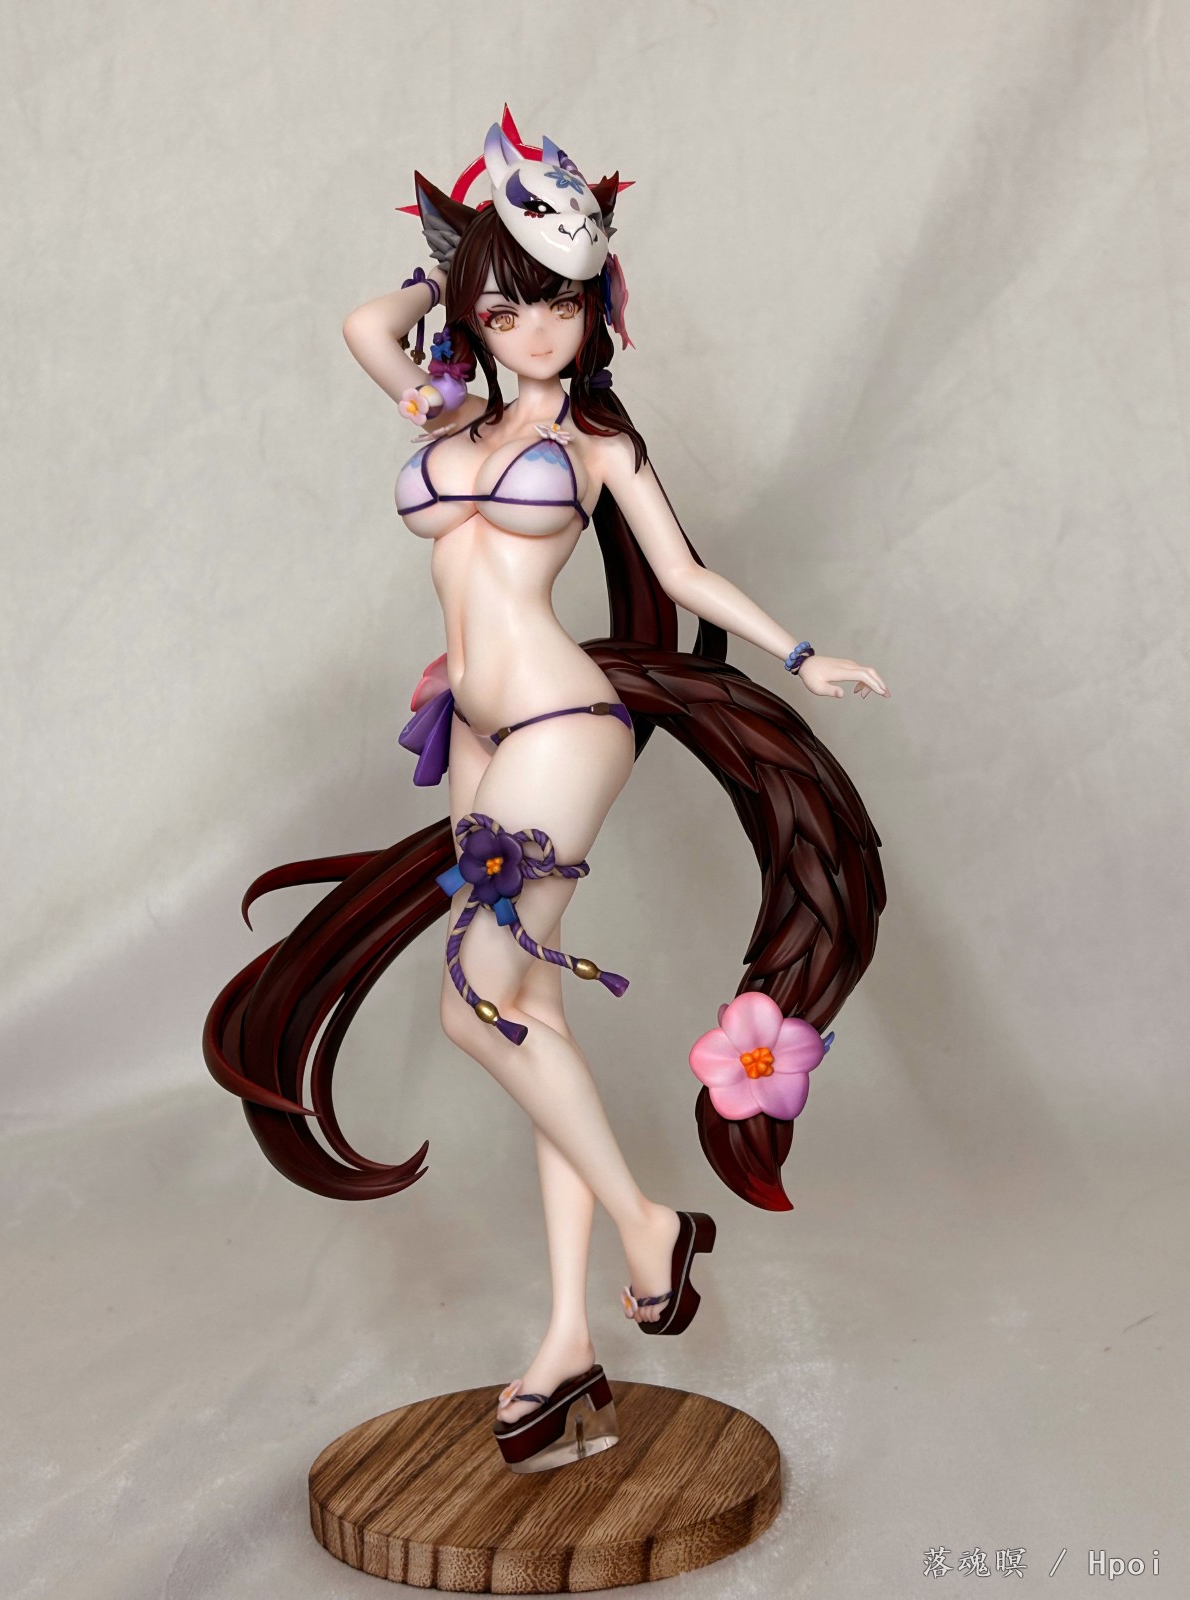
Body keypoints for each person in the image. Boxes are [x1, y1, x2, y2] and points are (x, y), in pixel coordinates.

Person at [204, 119, 889, 1474]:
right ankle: (570, 1343)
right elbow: (362, 323)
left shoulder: (595, 440)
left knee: (475, 1006)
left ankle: (651, 1224)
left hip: (563, 724)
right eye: (510, 309)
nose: (537, 332)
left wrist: (804, 654)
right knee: (535, 1016)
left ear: (598, 309)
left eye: (563, 304)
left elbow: (682, 577)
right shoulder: (444, 412)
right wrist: (463, 259)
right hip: (470, 732)